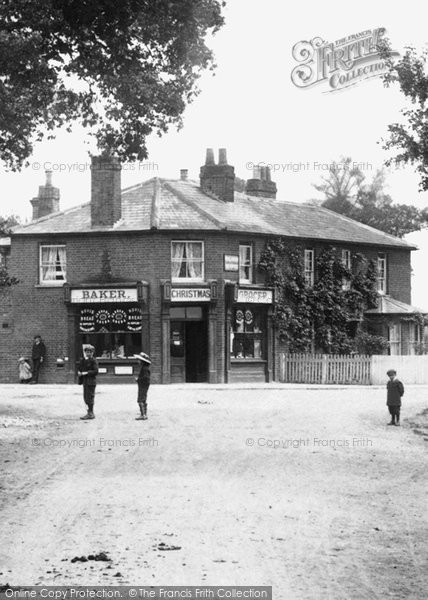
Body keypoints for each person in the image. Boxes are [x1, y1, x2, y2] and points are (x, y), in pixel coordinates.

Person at [77, 345, 99, 420]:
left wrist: (86, 373)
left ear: (92, 353)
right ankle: (88, 412)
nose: (88, 353)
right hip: (85, 381)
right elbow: (80, 368)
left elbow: (96, 371)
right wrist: (79, 372)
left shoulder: (94, 360)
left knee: (90, 397)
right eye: (86, 352)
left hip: (91, 381)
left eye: (90, 352)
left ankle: (91, 413)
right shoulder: (83, 360)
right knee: (85, 397)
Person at [134, 352, 151, 420]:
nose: (138, 361)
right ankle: (144, 413)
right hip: (144, 386)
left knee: (140, 399)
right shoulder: (145, 368)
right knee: (143, 399)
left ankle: (143, 415)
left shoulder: (144, 369)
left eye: (139, 360)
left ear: (142, 361)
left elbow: (145, 378)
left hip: (143, 386)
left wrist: (138, 379)